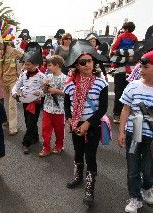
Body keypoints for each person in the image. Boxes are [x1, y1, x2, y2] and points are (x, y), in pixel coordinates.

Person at [63, 40, 108, 206]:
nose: (88, 64)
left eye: (90, 60)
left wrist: (87, 123)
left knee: (91, 155)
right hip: (76, 124)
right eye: (83, 62)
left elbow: (103, 108)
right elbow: (67, 105)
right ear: (76, 65)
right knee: (77, 151)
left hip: (92, 125)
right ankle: (78, 176)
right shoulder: (70, 85)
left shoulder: (101, 83)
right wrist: (70, 119)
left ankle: (90, 188)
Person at [118, 50, 153, 212]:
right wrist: (121, 132)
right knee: (133, 168)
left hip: (151, 138)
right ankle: (134, 198)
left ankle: (147, 188)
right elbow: (125, 110)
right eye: (141, 67)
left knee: (148, 169)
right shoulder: (133, 86)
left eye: (145, 67)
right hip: (134, 133)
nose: (141, 70)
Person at [11, 50, 46, 154]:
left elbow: (46, 90)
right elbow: (17, 85)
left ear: (35, 64)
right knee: (28, 122)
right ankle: (35, 137)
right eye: (25, 64)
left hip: (35, 103)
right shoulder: (23, 74)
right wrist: (14, 92)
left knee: (31, 122)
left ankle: (26, 143)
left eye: (28, 64)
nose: (26, 66)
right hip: (25, 100)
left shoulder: (42, 76)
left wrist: (40, 93)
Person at [110, 22, 138, 124]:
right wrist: (128, 54)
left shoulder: (121, 36)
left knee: (118, 92)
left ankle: (117, 114)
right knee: (129, 92)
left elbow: (113, 49)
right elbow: (136, 51)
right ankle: (126, 114)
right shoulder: (135, 38)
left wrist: (118, 52)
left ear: (125, 29)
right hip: (130, 70)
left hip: (119, 69)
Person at [40, 55, 66, 157]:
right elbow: (45, 92)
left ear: (57, 65)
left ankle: (59, 145)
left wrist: (56, 91)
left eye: (49, 65)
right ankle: (46, 147)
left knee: (59, 130)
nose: (47, 68)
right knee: (45, 129)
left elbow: (67, 93)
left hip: (59, 109)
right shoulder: (48, 77)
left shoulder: (65, 78)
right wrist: (45, 87)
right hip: (47, 108)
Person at [0, 41, 24, 135]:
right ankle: (9, 121)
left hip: (14, 81)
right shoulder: (1, 53)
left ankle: (13, 128)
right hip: (4, 81)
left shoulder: (15, 51)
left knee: (12, 104)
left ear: (5, 43)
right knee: (7, 103)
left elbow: (26, 58)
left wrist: (21, 70)